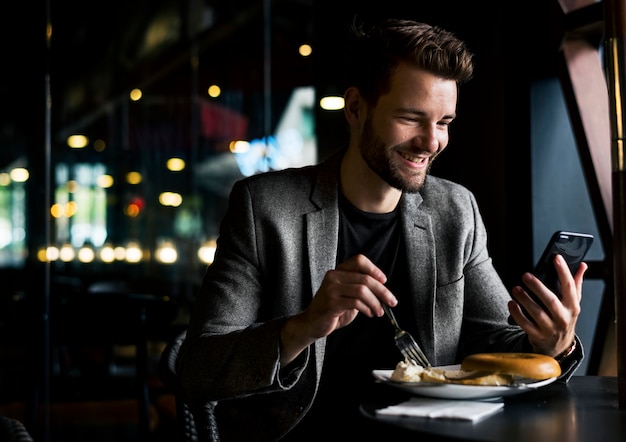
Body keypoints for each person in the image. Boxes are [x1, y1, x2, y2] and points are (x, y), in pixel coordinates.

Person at [177, 18, 587, 441]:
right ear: (355, 108)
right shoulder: (265, 208)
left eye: (444, 122)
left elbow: (495, 340)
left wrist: (553, 344)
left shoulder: (455, 209)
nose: (431, 142)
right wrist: (304, 326)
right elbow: (198, 369)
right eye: (411, 118)